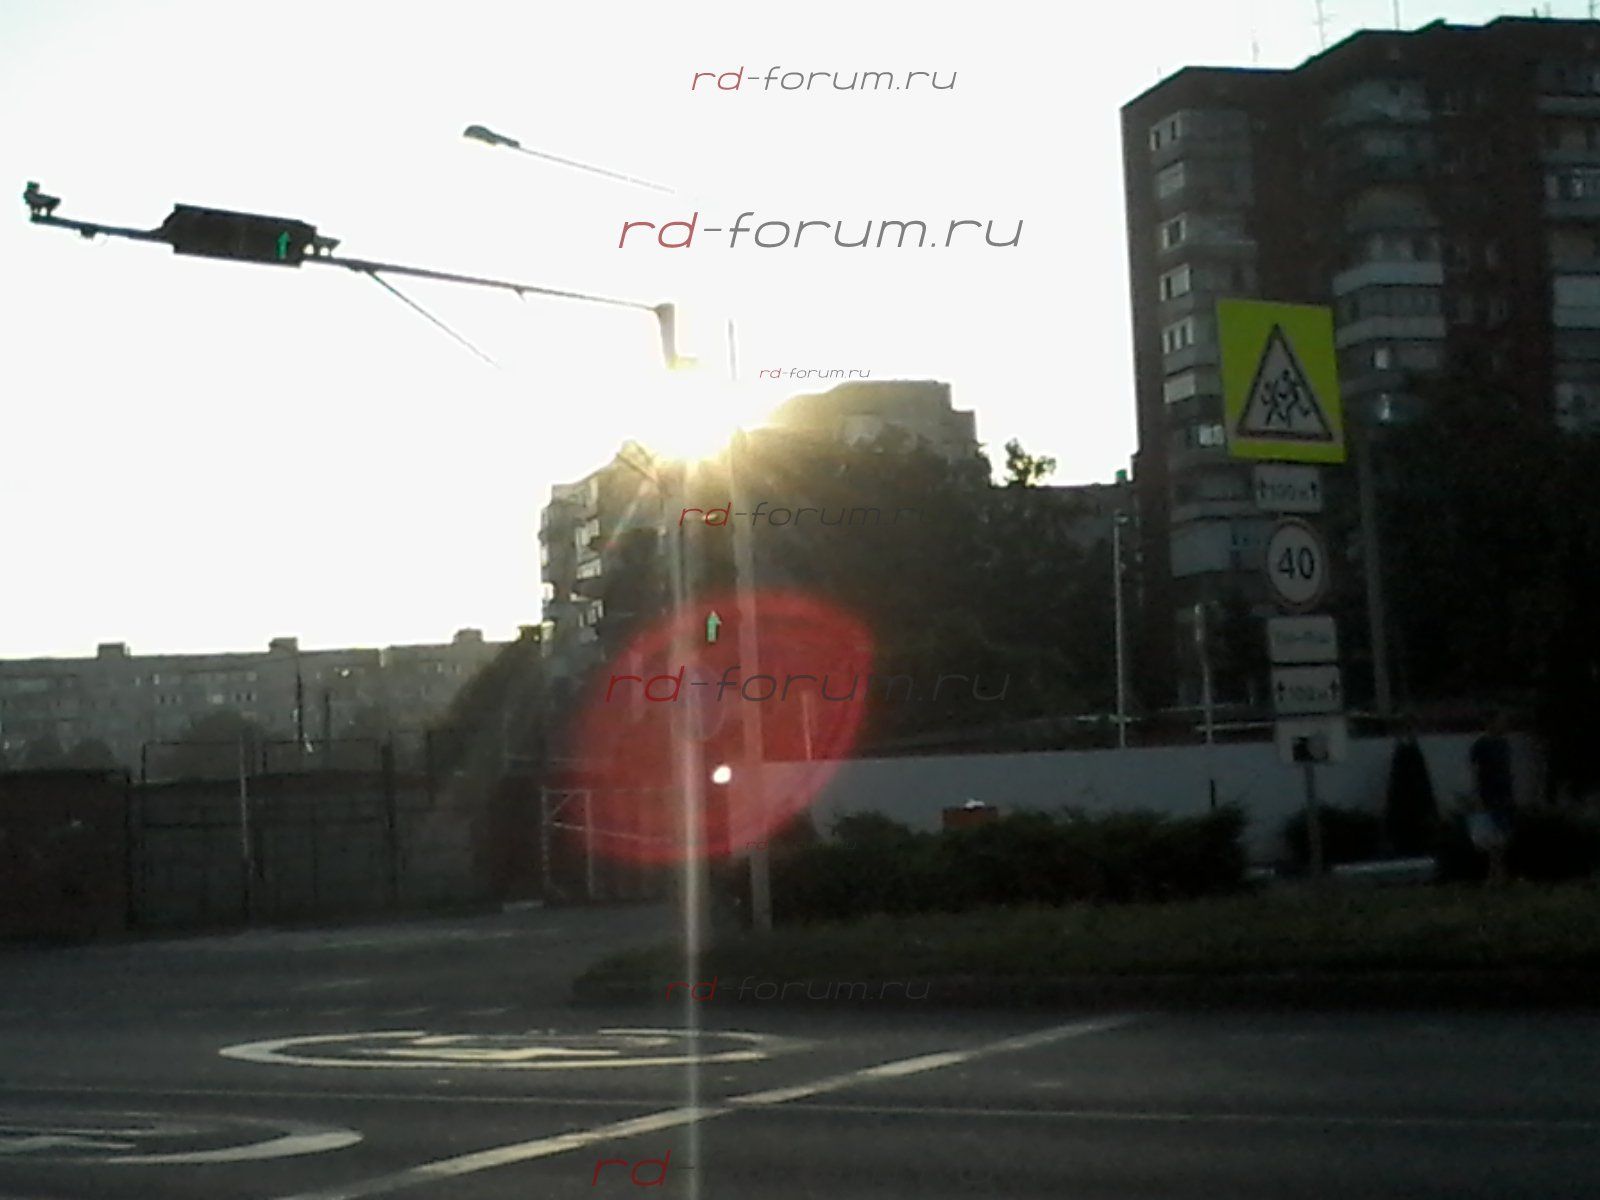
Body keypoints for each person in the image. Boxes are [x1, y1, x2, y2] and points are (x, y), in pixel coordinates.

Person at [1469, 711, 1516, 883]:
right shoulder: (1481, 744)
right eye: (1500, 721)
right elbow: (1475, 770)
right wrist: (1477, 795)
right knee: (1493, 836)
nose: (1503, 725)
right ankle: (1496, 873)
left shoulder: (1504, 743)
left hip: (1504, 793)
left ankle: (1497, 872)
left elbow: (1507, 768)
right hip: (1489, 794)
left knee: (1503, 835)